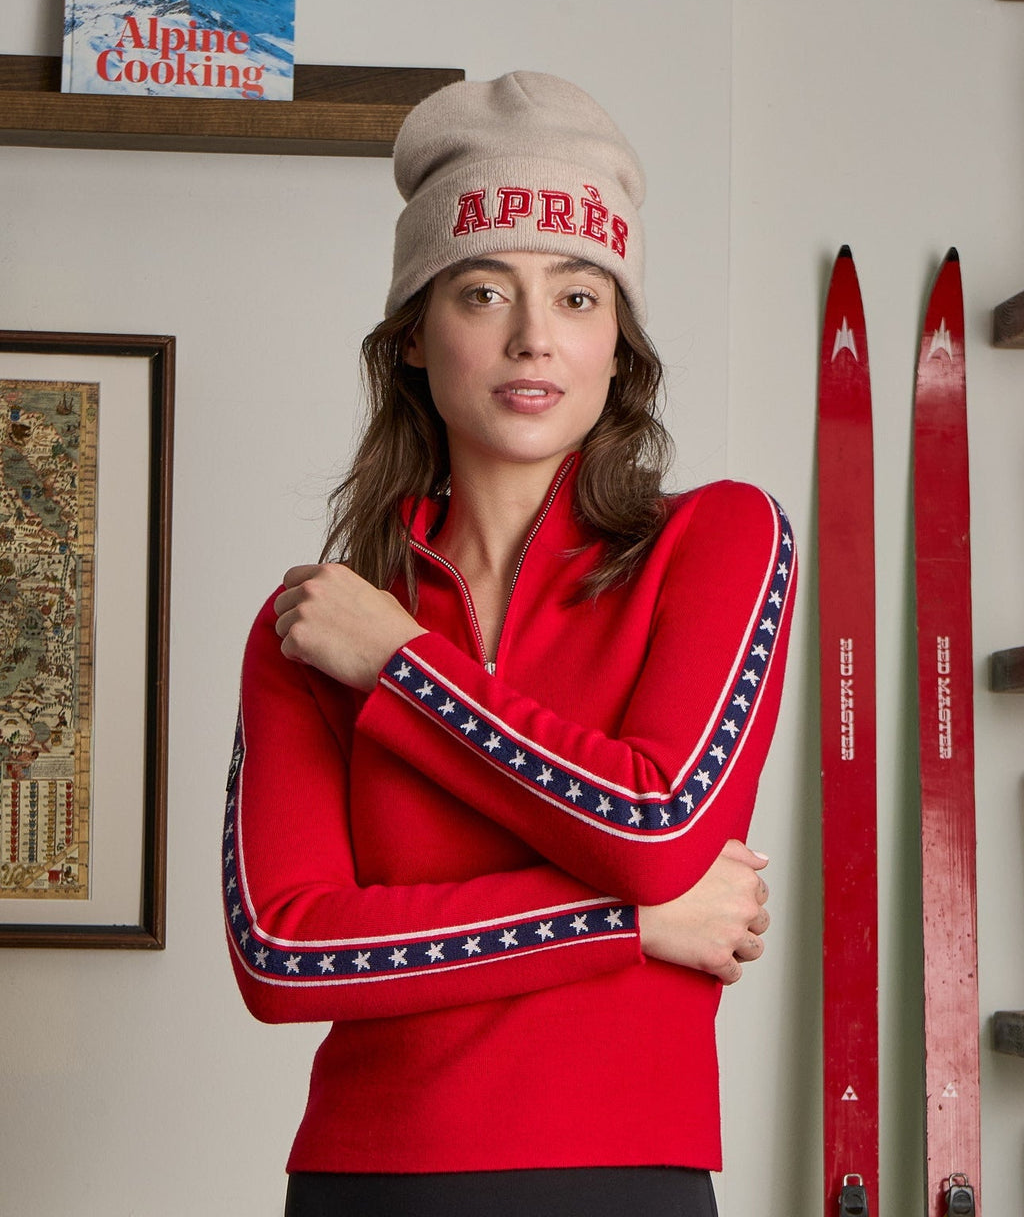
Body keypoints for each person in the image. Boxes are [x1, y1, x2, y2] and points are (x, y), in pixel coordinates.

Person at [223, 71, 796, 1217]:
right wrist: (631, 922)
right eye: (483, 292)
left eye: (578, 296)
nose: (534, 338)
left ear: (618, 344)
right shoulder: (313, 626)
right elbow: (284, 952)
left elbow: (654, 825)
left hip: (623, 1179)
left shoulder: (722, 539)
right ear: (413, 337)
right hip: (364, 1182)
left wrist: (399, 666)